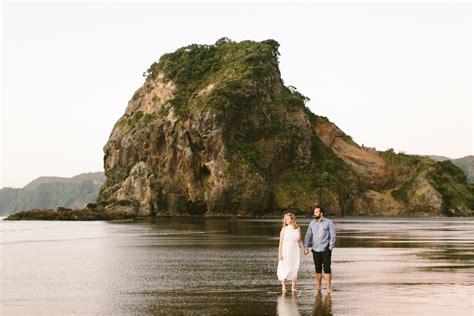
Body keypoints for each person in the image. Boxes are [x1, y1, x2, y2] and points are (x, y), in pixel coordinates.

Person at [304, 205, 336, 292]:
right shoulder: (312, 223)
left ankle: (328, 288)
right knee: (317, 268)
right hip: (315, 249)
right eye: (314, 212)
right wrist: (306, 247)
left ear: (321, 213)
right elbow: (308, 236)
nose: (314, 214)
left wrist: (330, 248)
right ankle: (318, 287)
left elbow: (333, 236)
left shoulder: (329, 222)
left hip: (326, 249)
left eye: (316, 212)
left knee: (327, 268)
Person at [277, 212, 304, 293]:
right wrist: (279, 254)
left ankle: (293, 287)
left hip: (295, 251)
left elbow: (299, 241)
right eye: (285, 219)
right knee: (284, 268)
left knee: (294, 267)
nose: (286, 220)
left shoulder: (298, 228)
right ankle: (284, 287)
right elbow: (281, 242)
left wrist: (304, 249)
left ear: (293, 219)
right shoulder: (284, 229)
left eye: (288, 218)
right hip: (285, 251)